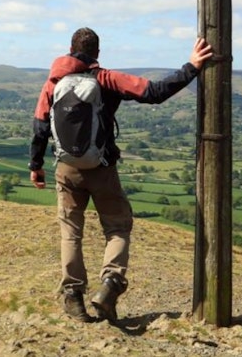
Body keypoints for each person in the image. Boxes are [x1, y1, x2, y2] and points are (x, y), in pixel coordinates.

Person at [28, 28, 213, 324]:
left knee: (71, 231)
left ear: (70, 49)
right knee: (117, 227)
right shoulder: (105, 78)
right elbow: (154, 92)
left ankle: (73, 296)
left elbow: (40, 126)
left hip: (67, 169)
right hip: (102, 169)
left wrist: (35, 166)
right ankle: (110, 285)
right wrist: (191, 67)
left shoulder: (54, 81)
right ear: (97, 53)